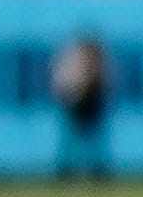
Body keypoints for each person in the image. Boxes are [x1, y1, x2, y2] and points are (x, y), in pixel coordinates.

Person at [47, 29, 116, 184]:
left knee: (95, 140)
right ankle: (65, 172)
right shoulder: (73, 58)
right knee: (71, 139)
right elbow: (62, 81)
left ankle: (97, 171)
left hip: (93, 101)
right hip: (75, 102)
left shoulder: (99, 58)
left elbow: (108, 80)